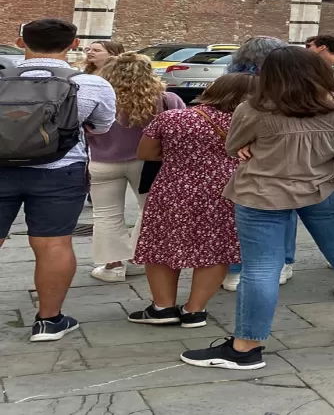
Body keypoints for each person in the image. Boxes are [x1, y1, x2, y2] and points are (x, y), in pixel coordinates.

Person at [181, 46, 334, 370]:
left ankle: (246, 347)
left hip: (262, 192)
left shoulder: (254, 109)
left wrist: (252, 145)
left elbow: (232, 145)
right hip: (325, 188)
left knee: (262, 268)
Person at [0, 18, 116, 341]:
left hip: (1, 168)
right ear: (73, 44)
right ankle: (49, 322)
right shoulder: (91, 84)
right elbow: (104, 126)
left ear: (21, 42)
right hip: (60, 171)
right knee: (53, 243)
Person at [128, 73, 253, 327]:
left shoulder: (173, 117)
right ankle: (195, 310)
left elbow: (146, 152)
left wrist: (183, 157)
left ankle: (162, 307)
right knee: (216, 248)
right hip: (225, 191)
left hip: (173, 189)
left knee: (162, 245)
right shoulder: (251, 123)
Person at [89, 53, 185, 282]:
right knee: (149, 211)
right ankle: (138, 256)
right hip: (148, 162)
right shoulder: (166, 99)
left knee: (105, 214)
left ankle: (113, 267)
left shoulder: (99, 99)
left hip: (102, 161)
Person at [222, 36, 293, 291]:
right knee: (284, 209)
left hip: (234, 153)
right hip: (276, 156)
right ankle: (283, 263)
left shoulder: (229, 81)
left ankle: (234, 268)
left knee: (238, 213)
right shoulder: (286, 84)